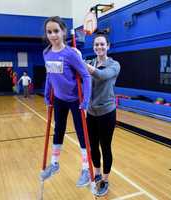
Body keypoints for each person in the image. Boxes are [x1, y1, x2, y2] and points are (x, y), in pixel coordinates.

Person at [40, 16, 92, 188]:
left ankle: (86, 168)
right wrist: (47, 95)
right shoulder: (46, 53)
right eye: (49, 32)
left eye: (56, 31)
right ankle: (54, 164)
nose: (53, 35)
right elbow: (49, 76)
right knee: (58, 130)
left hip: (75, 100)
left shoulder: (70, 54)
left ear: (63, 31)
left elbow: (85, 76)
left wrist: (85, 100)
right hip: (59, 100)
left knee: (81, 133)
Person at [85, 32, 120, 196]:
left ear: (108, 46)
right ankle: (97, 172)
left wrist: (83, 65)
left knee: (105, 146)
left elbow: (102, 75)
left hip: (107, 113)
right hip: (91, 113)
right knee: (93, 146)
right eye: (96, 44)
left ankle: (105, 180)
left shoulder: (114, 65)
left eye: (102, 44)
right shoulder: (89, 62)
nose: (99, 47)